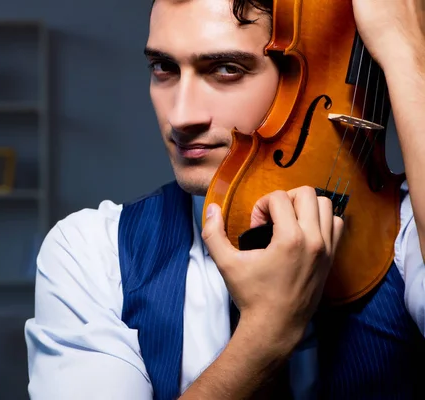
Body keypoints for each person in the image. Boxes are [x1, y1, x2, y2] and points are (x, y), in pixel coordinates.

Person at [25, 0, 425, 398]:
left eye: (226, 69)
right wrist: (266, 335)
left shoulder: (408, 233)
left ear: (311, 73)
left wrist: (405, 55)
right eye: (164, 68)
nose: (181, 117)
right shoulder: (94, 252)